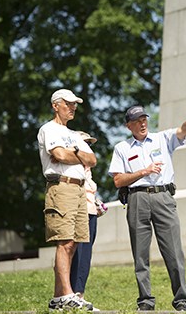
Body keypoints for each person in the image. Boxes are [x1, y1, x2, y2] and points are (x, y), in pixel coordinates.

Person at [108, 106, 186, 312]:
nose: (143, 123)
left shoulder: (162, 139)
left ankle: (181, 300)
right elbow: (118, 180)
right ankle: (145, 301)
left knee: (173, 251)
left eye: (144, 119)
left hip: (163, 197)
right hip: (137, 199)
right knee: (140, 254)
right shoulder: (122, 148)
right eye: (137, 121)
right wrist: (143, 171)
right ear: (129, 126)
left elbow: (182, 130)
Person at [37, 89, 97, 311]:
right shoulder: (48, 129)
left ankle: (58, 298)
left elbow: (92, 159)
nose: (73, 107)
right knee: (65, 241)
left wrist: (75, 153)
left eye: (75, 104)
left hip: (80, 190)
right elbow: (59, 156)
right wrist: (77, 155)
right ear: (55, 105)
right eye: (68, 104)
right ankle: (68, 295)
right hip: (61, 186)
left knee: (73, 243)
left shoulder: (73, 134)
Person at [69, 131, 104, 311]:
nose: (87, 146)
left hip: (91, 211)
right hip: (78, 211)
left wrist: (97, 203)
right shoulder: (72, 166)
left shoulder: (87, 168)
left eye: (89, 143)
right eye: (84, 143)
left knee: (86, 256)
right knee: (77, 254)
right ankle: (71, 294)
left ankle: (80, 294)